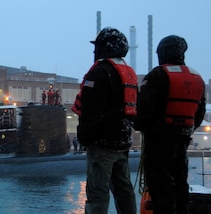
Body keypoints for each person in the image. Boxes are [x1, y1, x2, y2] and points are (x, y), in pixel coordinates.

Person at [135, 35, 206, 214]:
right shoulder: (197, 78)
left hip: (159, 139)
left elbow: (144, 110)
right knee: (180, 182)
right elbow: (199, 112)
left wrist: (140, 125)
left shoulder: (157, 76)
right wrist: (186, 128)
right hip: (182, 136)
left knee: (161, 185)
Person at [72, 27, 137, 214]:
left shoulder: (101, 72)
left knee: (97, 192)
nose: (95, 51)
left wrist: (85, 137)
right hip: (122, 143)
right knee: (124, 190)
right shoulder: (128, 72)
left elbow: (91, 109)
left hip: (102, 143)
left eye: (97, 47)